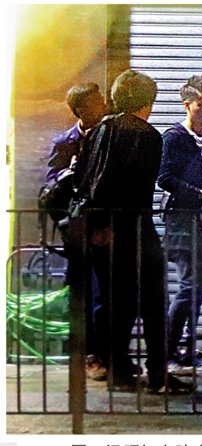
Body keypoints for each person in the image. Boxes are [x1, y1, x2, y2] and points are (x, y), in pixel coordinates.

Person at [74, 69, 193, 394]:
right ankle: (157, 374)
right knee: (153, 301)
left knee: (117, 304)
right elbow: (136, 186)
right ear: (148, 101)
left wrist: (99, 224)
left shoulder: (99, 130)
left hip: (100, 231)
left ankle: (119, 369)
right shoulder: (147, 136)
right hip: (133, 228)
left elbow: (83, 176)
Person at [157, 75, 202, 375]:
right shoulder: (173, 138)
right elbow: (165, 178)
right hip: (182, 221)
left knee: (200, 286)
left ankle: (187, 347)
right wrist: (199, 193)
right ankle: (167, 351)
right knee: (187, 285)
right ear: (187, 105)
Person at [45, 82, 107, 381]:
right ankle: (84, 355)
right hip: (76, 230)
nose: (103, 105)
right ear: (81, 109)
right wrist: (67, 174)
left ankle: (102, 353)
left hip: (103, 227)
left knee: (103, 293)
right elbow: (50, 185)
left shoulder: (108, 135)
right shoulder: (65, 142)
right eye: (96, 101)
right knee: (80, 294)